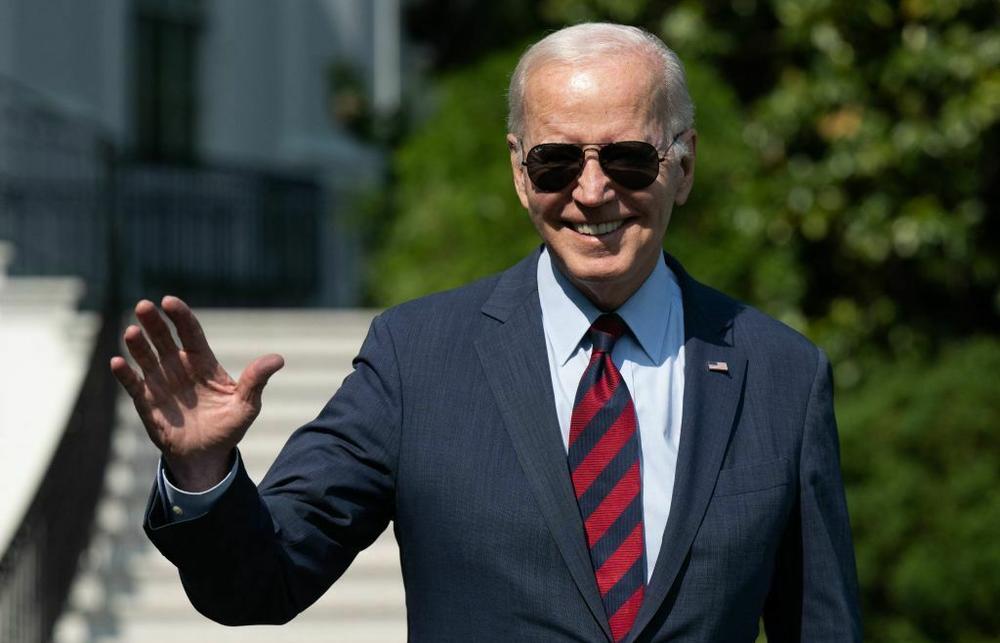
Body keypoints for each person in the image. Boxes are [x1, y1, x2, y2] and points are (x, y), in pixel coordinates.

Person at [111, 22, 861, 642]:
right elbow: (261, 580)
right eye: (556, 161)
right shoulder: (418, 359)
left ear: (684, 165)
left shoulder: (781, 375)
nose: (592, 190)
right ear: (517, 170)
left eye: (630, 160)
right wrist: (204, 471)